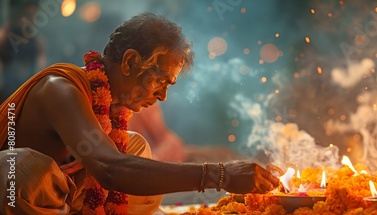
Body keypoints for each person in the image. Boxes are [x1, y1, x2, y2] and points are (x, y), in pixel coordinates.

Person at [0, 13, 279, 215]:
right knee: (24, 170)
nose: (163, 96)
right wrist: (218, 175)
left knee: (136, 147)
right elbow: (109, 169)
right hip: (14, 194)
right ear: (131, 61)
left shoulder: (110, 107)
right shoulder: (59, 89)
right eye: (160, 81)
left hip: (64, 201)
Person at [0, 0, 47, 102]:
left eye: (33, 15)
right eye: (27, 15)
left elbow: (40, 75)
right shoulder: (3, 40)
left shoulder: (37, 43)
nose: (31, 20)